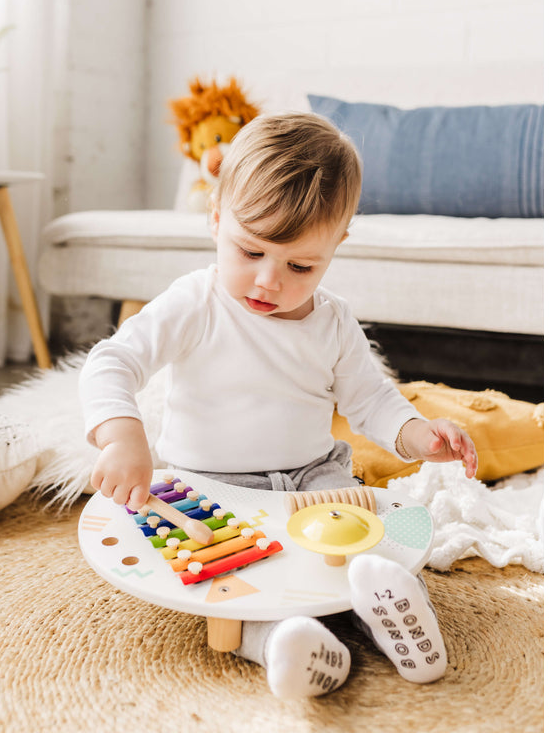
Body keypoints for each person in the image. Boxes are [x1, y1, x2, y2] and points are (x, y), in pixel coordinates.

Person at [79, 112, 478, 699]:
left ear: (336, 247)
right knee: (235, 586)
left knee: (357, 551)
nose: (269, 281)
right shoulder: (196, 302)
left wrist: (418, 435)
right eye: (250, 251)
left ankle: (387, 616)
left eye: (300, 266)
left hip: (316, 482)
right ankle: (286, 646)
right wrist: (121, 436)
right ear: (216, 219)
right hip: (208, 489)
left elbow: (371, 398)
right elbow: (112, 362)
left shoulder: (334, 321)